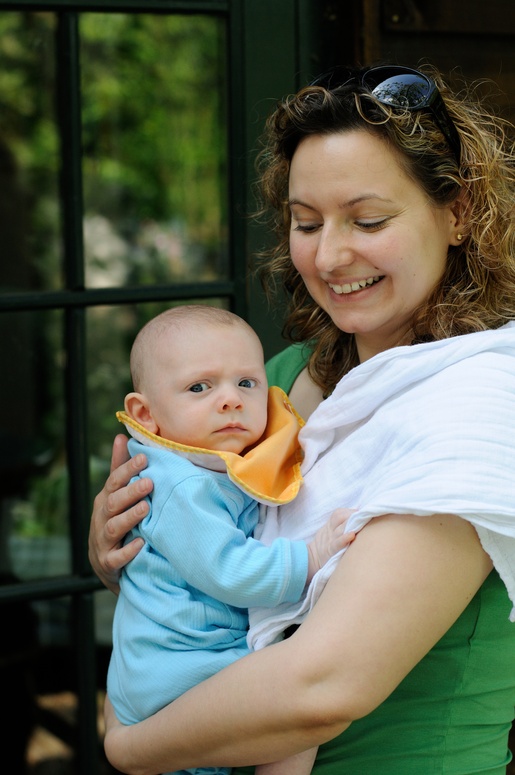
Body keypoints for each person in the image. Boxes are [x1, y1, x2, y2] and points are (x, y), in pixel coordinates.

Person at [89, 62, 515, 774]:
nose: (329, 255)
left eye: (367, 220)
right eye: (306, 222)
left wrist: (126, 745)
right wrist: (126, 549)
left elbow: (324, 687)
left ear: (458, 212)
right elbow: (206, 567)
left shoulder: (482, 402)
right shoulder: (278, 383)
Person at [106, 304, 355, 775]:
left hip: (175, 662)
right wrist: (310, 556)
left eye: (246, 383)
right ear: (145, 413)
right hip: (179, 671)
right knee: (300, 710)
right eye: (199, 387)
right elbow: (229, 570)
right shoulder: (182, 486)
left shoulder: (209, 463)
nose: (230, 400)